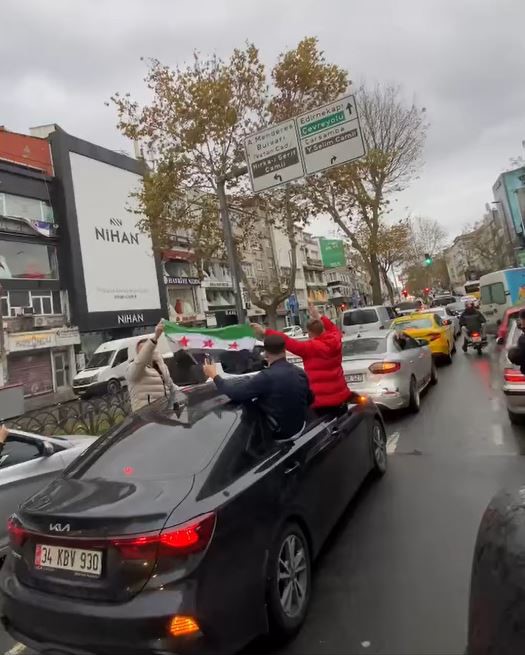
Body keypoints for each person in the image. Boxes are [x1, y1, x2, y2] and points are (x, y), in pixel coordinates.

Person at [202, 334, 313, 439]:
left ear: (266, 353)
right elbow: (310, 399)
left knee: (249, 403)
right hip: (299, 427)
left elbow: (236, 393)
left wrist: (214, 375)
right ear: (284, 350)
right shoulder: (300, 372)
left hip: (280, 434)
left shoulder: (266, 376)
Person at [252, 305, 351, 417]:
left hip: (320, 402)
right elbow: (333, 328)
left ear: (309, 333)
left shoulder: (309, 348)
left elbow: (286, 341)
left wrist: (265, 331)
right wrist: (319, 316)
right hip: (340, 396)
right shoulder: (335, 339)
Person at [126, 321, 177, 412]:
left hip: (165, 414)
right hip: (146, 418)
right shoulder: (133, 369)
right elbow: (141, 360)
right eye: (144, 351)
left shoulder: (160, 366)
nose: (148, 353)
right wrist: (155, 337)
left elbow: (171, 387)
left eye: (150, 349)